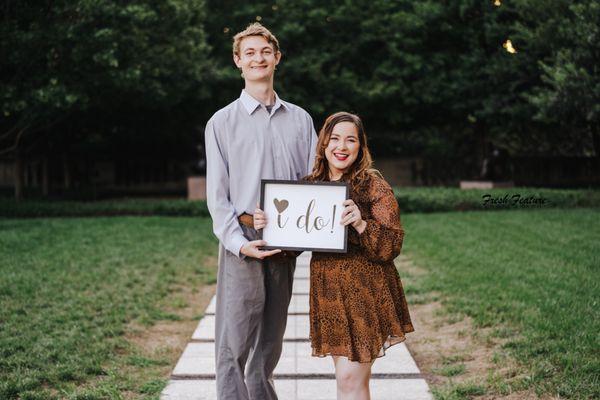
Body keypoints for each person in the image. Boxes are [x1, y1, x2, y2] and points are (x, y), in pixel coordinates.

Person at [254, 111, 415, 400]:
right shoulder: (309, 186)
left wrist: (361, 223)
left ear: (360, 146)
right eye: (335, 138)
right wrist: (269, 226)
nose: (341, 147)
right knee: (346, 382)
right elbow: (291, 244)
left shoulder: (373, 185)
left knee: (351, 381)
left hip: (365, 291)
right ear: (324, 143)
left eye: (350, 140)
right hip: (329, 295)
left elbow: (391, 245)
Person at [204, 22, 317, 400]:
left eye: (265, 51)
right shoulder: (221, 123)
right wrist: (238, 243)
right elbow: (217, 198)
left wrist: (310, 231)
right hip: (245, 239)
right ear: (238, 61)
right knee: (233, 346)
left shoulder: (301, 120)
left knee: (269, 346)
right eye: (249, 52)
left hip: (286, 240)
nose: (258, 58)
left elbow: (315, 184)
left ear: (277, 58)